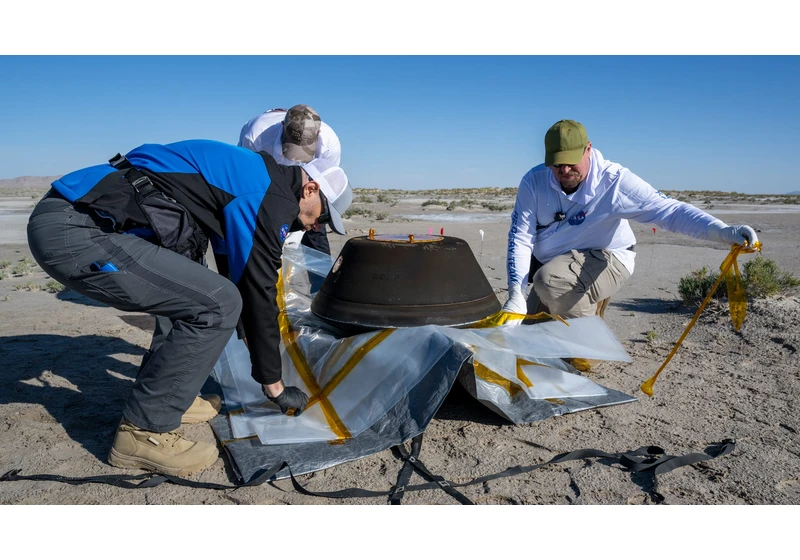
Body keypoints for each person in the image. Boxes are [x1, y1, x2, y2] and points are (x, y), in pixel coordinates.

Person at [27, 139, 352, 476]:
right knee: (218, 303)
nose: (317, 227)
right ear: (310, 188)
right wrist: (273, 385)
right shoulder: (270, 196)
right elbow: (257, 289)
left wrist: (248, 337)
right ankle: (144, 432)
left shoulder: (257, 177)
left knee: (196, 291)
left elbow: (236, 269)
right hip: (77, 229)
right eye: (323, 216)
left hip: (77, 218)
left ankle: (168, 396)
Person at [504, 119, 758, 328]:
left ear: (588, 149)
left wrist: (722, 231)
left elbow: (670, 212)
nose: (565, 170)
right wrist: (516, 293)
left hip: (608, 257)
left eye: (572, 161)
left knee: (550, 283)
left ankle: (590, 348)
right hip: (558, 263)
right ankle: (578, 308)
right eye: (558, 163)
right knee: (530, 329)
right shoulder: (534, 182)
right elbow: (521, 237)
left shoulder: (615, 181)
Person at [238, 104, 342, 259]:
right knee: (261, 235)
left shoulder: (330, 144)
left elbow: (326, 187)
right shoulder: (255, 135)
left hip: (306, 188)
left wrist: (315, 215)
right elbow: (249, 182)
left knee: (315, 233)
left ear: (318, 134)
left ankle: (321, 282)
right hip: (266, 181)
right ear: (282, 126)